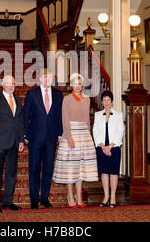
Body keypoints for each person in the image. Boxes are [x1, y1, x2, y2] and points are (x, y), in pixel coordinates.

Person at [53, 73, 98, 207]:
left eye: (79, 83)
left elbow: (86, 119)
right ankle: (70, 196)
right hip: (70, 134)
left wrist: (89, 136)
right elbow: (64, 118)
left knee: (80, 168)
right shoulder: (66, 99)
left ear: (81, 85)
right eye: (75, 83)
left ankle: (79, 197)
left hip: (84, 134)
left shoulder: (87, 99)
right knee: (70, 168)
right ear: (71, 85)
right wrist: (68, 136)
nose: (77, 86)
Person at [0, 75, 25, 214]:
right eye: (8, 83)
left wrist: (20, 140)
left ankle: (8, 202)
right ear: (2, 84)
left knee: (11, 174)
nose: (11, 86)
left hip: (13, 143)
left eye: (13, 83)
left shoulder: (18, 100)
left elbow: (19, 122)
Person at [23, 68, 63, 210]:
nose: (47, 80)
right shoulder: (31, 94)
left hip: (51, 138)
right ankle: (34, 199)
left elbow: (60, 116)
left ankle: (44, 198)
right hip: (35, 138)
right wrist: (25, 135)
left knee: (47, 169)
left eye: (50, 77)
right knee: (34, 169)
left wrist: (60, 133)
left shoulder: (58, 95)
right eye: (45, 77)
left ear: (52, 79)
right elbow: (25, 116)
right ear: (40, 79)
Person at [92, 90, 125, 208]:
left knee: (113, 172)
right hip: (101, 147)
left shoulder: (118, 114)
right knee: (104, 172)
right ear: (101, 102)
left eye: (108, 100)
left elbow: (120, 131)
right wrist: (102, 146)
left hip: (114, 147)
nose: (106, 102)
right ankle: (106, 196)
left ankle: (113, 197)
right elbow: (95, 131)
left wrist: (110, 146)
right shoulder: (97, 115)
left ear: (112, 101)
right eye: (104, 100)